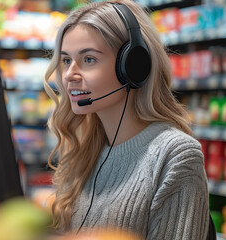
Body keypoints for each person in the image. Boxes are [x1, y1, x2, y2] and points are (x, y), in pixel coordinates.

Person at [43, 0, 209, 239]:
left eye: (89, 59)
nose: (69, 75)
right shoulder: (86, 152)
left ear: (133, 66)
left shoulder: (175, 155)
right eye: (67, 60)